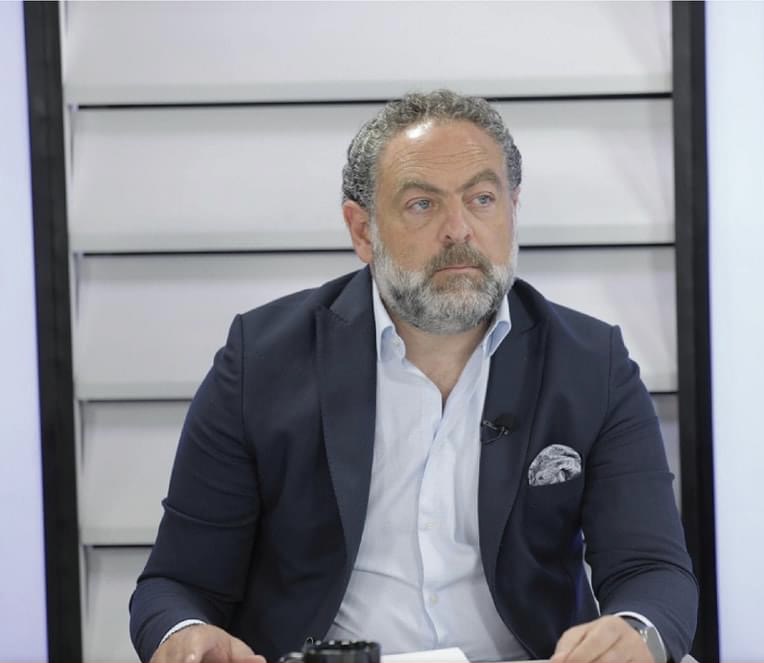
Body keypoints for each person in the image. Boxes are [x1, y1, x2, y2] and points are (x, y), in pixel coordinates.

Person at [130, 89, 698, 663]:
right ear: (362, 230)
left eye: (481, 199)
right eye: (423, 204)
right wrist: (186, 635)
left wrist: (636, 632)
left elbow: (652, 571)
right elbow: (177, 584)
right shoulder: (262, 360)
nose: (459, 229)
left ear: (513, 209)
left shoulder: (591, 363)